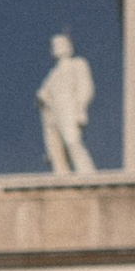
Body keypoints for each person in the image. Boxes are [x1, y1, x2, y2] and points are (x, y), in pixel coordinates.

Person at [37, 35, 96, 178]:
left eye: (61, 43)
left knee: (72, 141)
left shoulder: (77, 64)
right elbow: (43, 93)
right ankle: (62, 175)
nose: (57, 47)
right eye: (55, 45)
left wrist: (81, 108)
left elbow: (85, 87)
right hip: (52, 112)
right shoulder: (53, 75)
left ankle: (87, 174)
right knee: (56, 149)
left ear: (69, 47)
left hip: (68, 106)